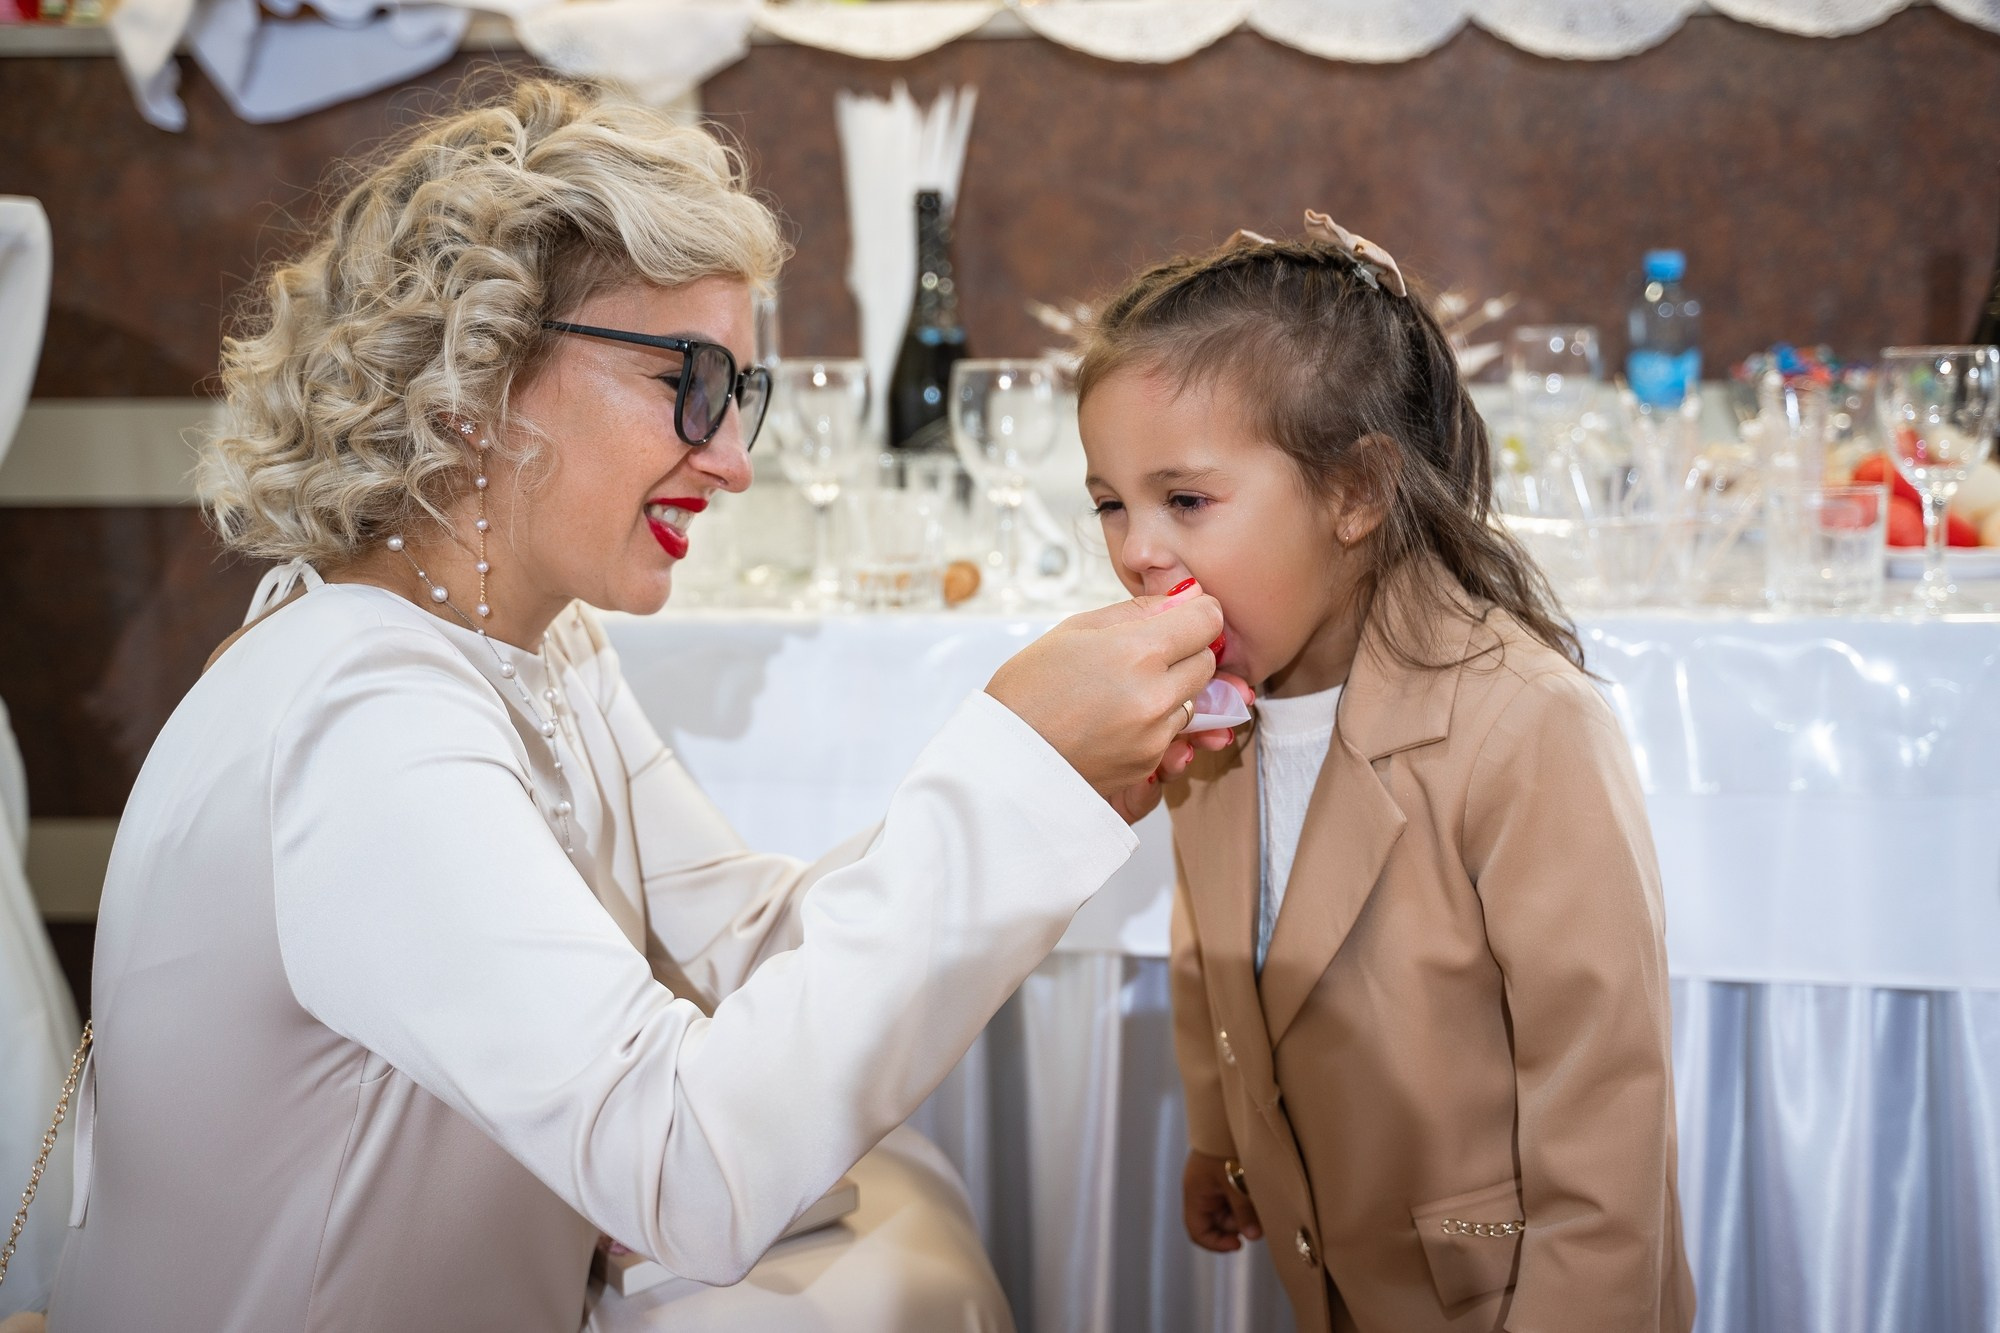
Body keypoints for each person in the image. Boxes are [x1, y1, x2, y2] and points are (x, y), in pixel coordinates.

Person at [42, 79, 1228, 1331]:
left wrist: (1058, 775)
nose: (732, 458)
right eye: (693, 379)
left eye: (739, 393)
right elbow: (684, 1165)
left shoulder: (535, 653)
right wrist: (1016, 772)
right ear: (477, 375)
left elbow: (747, 948)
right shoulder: (360, 713)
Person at [1075, 212, 1695, 1332]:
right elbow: (1208, 934)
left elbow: (1603, 1120)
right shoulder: (1212, 690)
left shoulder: (1521, 726)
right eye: (1110, 502)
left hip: (1495, 1276)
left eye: (1185, 499)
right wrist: (1219, 1126)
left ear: (1355, 493)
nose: (1133, 548)